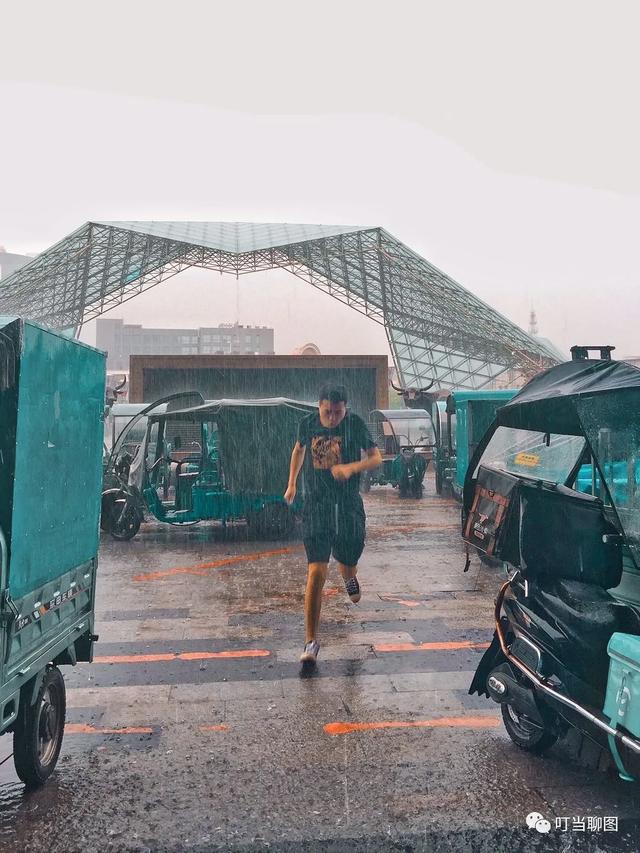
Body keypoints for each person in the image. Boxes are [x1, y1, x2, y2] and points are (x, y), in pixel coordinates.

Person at [284, 383, 382, 665]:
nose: (332, 418)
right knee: (316, 571)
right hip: (317, 505)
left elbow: (376, 457)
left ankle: (350, 576)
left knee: (347, 560)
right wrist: (291, 483)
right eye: (328, 412)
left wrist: (352, 468)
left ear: (345, 409)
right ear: (319, 407)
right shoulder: (307, 424)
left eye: (337, 413)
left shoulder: (355, 424)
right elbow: (298, 450)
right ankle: (311, 640)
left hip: (348, 505)